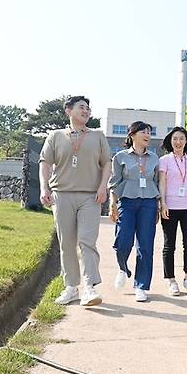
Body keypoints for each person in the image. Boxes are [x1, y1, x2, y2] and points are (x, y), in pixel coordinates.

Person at [39, 95, 111, 306]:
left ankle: (89, 288)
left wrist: (102, 186)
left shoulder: (98, 136)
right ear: (68, 111)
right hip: (62, 195)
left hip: (91, 196)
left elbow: (106, 162)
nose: (86, 111)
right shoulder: (55, 136)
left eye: (88, 108)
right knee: (67, 243)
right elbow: (45, 163)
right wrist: (44, 187)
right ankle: (71, 287)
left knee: (87, 241)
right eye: (81, 107)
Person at [108, 121, 160, 302]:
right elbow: (114, 182)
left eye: (149, 132)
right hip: (127, 203)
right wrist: (112, 204)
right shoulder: (120, 157)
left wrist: (159, 206)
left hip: (149, 204)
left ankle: (141, 286)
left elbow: (157, 182)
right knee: (122, 241)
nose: (147, 135)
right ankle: (123, 268)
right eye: (143, 132)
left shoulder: (154, 158)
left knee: (145, 246)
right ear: (132, 134)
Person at [158, 126, 187, 296]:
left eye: (181, 138)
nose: (178, 142)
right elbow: (162, 183)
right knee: (170, 245)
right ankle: (171, 280)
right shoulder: (165, 160)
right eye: (175, 138)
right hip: (170, 207)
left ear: (186, 141)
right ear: (170, 141)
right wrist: (163, 203)